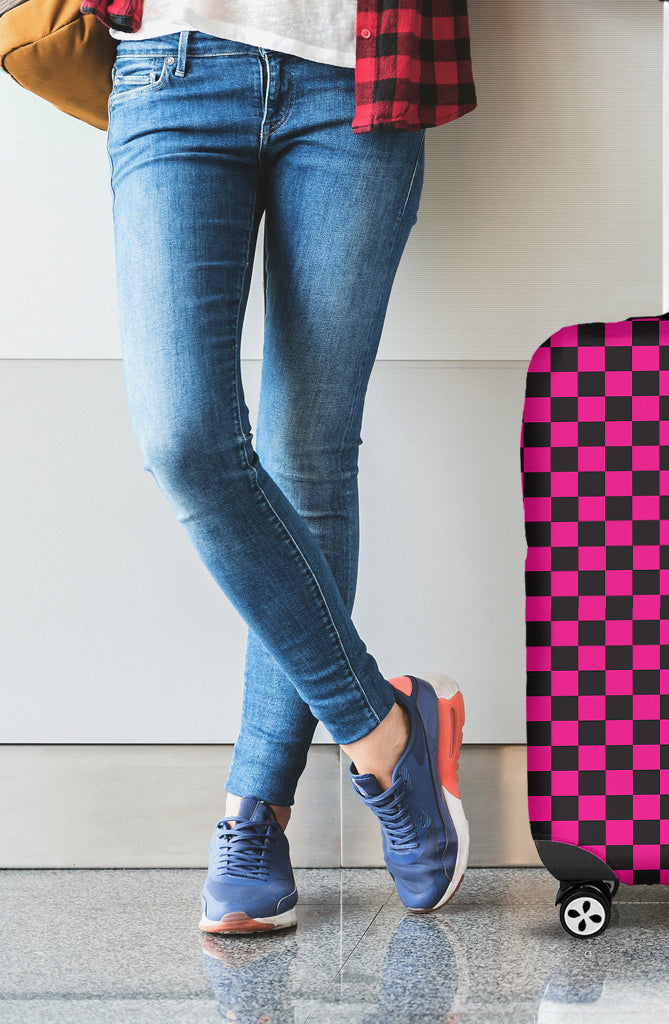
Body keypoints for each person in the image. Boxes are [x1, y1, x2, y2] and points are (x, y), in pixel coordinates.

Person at [83, 0, 476, 933]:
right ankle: (385, 730)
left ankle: (255, 813)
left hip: (360, 79)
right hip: (173, 70)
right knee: (184, 442)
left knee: (309, 455)